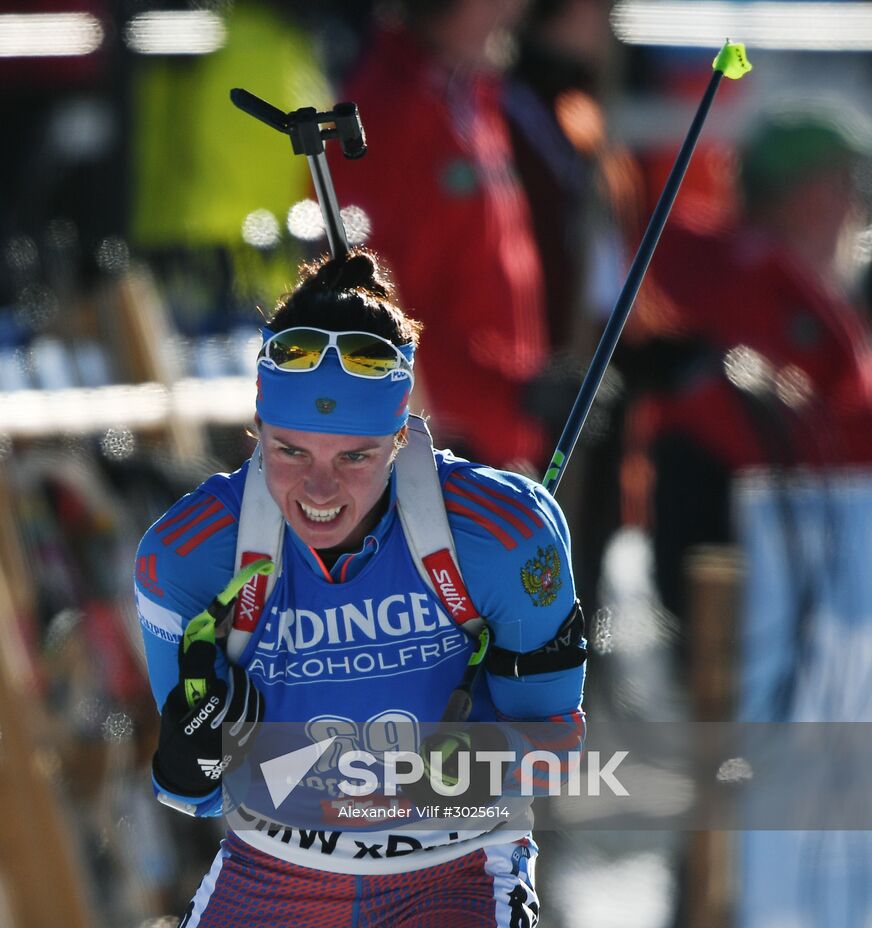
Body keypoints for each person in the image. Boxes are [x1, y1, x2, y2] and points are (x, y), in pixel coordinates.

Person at [135, 250, 586, 926]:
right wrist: (194, 751)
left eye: (355, 456)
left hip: (451, 871)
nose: (319, 491)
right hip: (273, 871)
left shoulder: (503, 538)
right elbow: (190, 795)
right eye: (290, 451)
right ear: (256, 429)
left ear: (400, 437)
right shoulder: (188, 557)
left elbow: (552, 749)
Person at [636, 109, 872, 617]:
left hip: (778, 545)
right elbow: (823, 422)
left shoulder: (771, 279)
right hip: (750, 554)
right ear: (793, 194)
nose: (854, 204)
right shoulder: (757, 282)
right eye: (840, 184)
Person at [332, 0, 548, 472]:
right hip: (436, 448)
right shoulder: (382, 112)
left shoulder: (471, 97)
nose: (515, 9)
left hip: (494, 438)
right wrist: (487, 403)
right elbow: (365, 303)